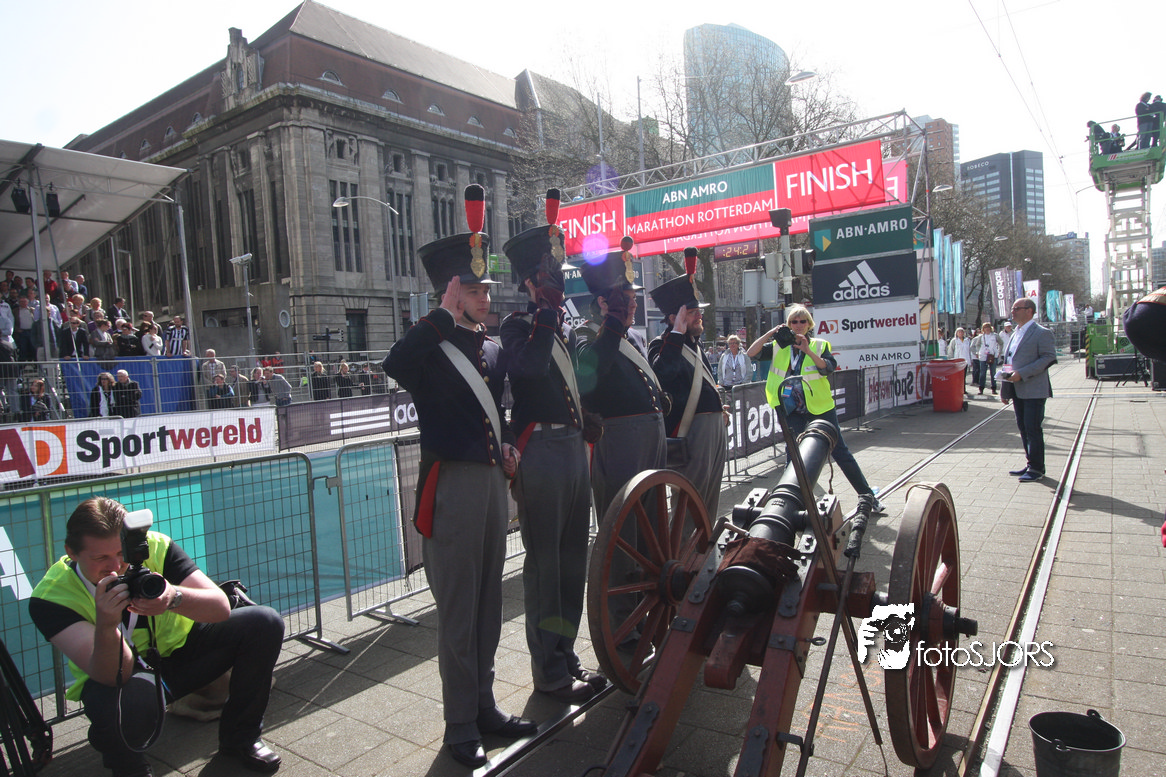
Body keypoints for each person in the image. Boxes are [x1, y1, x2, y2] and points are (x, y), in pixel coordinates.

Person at [382, 213, 533, 769]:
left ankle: (484, 706)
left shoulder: (490, 349)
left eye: (485, 289)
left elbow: (500, 414)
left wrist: (509, 445)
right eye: (473, 290)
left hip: (492, 485)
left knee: (488, 603)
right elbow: (395, 364)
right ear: (450, 294)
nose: (485, 298)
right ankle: (459, 722)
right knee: (459, 611)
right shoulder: (431, 347)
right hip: (453, 488)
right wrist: (441, 316)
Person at [28, 496, 284, 777]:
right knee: (112, 701)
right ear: (72, 552)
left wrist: (174, 597)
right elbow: (111, 674)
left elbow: (220, 607)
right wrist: (107, 625)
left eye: (121, 553)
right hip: (125, 678)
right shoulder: (51, 596)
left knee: (265, 622)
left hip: (183, 654)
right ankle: (131, 770)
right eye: (100, 558)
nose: (115, 567)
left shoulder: (153, 547)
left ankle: (241, 739)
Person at [500, 219, 604, 705]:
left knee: (571, 561)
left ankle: (565, 652)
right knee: (545, 565)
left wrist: (586, 416)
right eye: (548, 277)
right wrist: (544, 312)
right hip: (539, 451)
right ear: (529, 282)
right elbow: (531, 368)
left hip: (570, 448)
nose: (558, 285)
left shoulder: (558, 328)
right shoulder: (517, 326)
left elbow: (568, 386)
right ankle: (547, 669)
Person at [746, 304, 884, 513]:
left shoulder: (819, 345)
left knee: (840, 451)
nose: (798, 325)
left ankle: (868, 496)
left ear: (809, 324)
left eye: (803, 321)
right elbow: (751, 352)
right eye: (794, 322)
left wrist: (807, 350)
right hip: (790, 408)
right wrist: (771, 332)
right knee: (793, 454)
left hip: (819, 407)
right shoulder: (778, 346)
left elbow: (827, 368)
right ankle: (788, 505)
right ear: (788, 324)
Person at [575, 238, 667, 528]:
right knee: (623, 523)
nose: (634, 303)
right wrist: (613, 324)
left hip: (651, 437)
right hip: (619, 443)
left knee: (653, 520)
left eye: (633, 297)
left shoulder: (634, 336)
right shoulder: (584, 335)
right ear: (604, 303)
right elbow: (590, 375)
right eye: (626, 298)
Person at [648, 264, 728, 519]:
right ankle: (686, 544)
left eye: (698, 312)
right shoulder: (662, 344)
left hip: (713, 429)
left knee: (709, 499)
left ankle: (704, 543)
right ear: (674, 318)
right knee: (691, 502)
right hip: (692, 432)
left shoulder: (695, 345)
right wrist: (676, 335)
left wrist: (717, 407)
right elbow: (662, 375)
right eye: (692, 313)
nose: (698, 316)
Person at [1001, 297, 1057, 483]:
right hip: (1017, 389)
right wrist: (1005, 389)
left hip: (1034, 389)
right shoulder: (1015, 333)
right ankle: (1031, 462)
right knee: (1023, 428)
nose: (1013, 311)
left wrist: (1022, 373)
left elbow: (1049, 358)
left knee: (1033, 428)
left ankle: (1037, 468)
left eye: (1017, 308)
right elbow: (1009, 361)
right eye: (1013, 308)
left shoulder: (1042, 333)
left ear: (1029, 311)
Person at [973, 322, 1002, 395]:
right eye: (985, 328)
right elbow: (977, 345)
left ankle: (994, 388)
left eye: (988, 327)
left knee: (993, 372)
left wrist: (999, 352)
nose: (987, 329)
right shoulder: (981, 336)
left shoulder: (995, 335)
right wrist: (978, 352)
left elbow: (1001, 343)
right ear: (983, 329)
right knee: (983, 373)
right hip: (983, 356)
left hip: (993, 355)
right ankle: (981, 388)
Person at [946, 327, 972, 394]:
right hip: (957, 361)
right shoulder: (954, 341)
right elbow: (951, 351)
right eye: (959, 332)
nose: (960, 333)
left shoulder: (967, 340)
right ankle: (957, 389)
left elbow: (969, 351)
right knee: (958, 376)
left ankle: (963, 389)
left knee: (964, 376)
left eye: (962, 332)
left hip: (965, 360)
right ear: (956, 333)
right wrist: (951, 359)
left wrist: (970, 360)